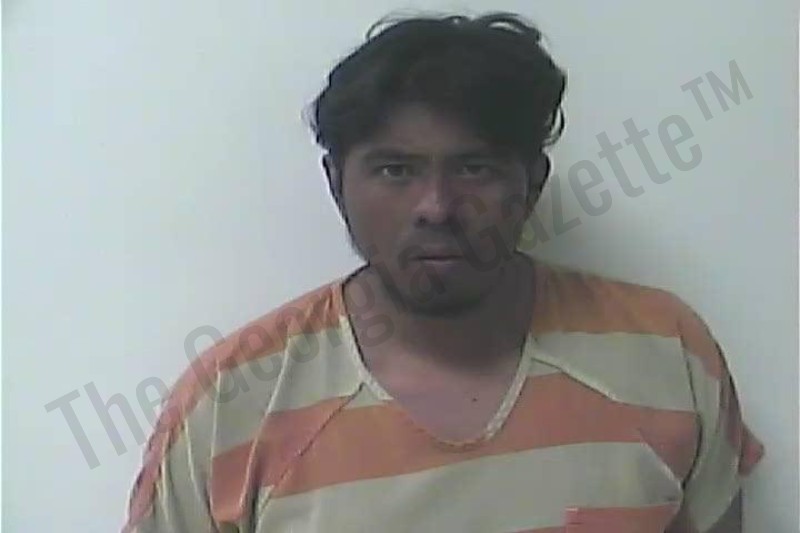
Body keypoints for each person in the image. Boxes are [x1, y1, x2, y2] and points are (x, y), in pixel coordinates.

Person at [122, 11, 764, 533]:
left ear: (531, 182)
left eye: (475, 168)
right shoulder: (232, 401)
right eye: (396, 170)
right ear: (337, 184)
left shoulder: (665, 351)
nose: (436, 206)